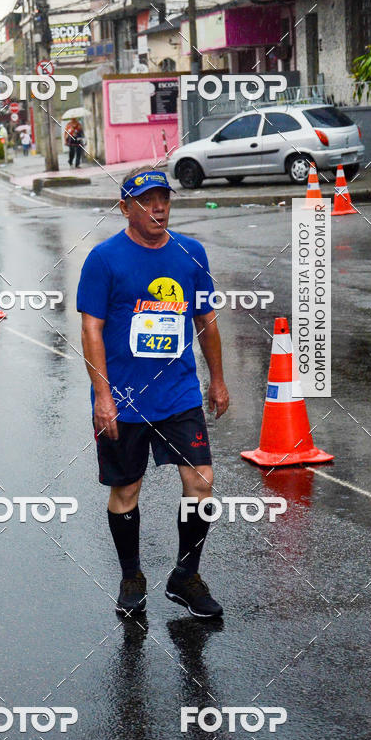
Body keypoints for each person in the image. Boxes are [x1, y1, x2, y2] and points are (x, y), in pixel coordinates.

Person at [77, 167, 230, 619]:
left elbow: (206, 320)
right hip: (123, 398)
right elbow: (91, 328)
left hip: (178, 391)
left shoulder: (190, 253)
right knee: (126, 491)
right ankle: (131, 575)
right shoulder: (104, 259)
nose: (157, 207)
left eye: (163, 198)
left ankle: (186, 574)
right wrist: (102, 397)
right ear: (125, 208)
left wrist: (217, 380)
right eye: (145, 200)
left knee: (201, 481)